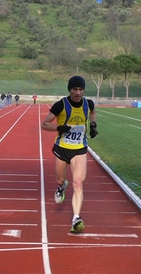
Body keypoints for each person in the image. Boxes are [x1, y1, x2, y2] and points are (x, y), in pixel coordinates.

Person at [41, 75, 98, 233]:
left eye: (80, 89)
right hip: (62, 148)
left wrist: (93, 125)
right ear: (70, 89)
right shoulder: (61, 105)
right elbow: (44, 124)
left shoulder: (88, 103)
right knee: (61, 179)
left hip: (79, 148)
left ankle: (76, 218)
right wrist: (59, 128)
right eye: (75, 89)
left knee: (78, 183)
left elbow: (93, 112)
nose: (78, 93)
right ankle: (61, 187)